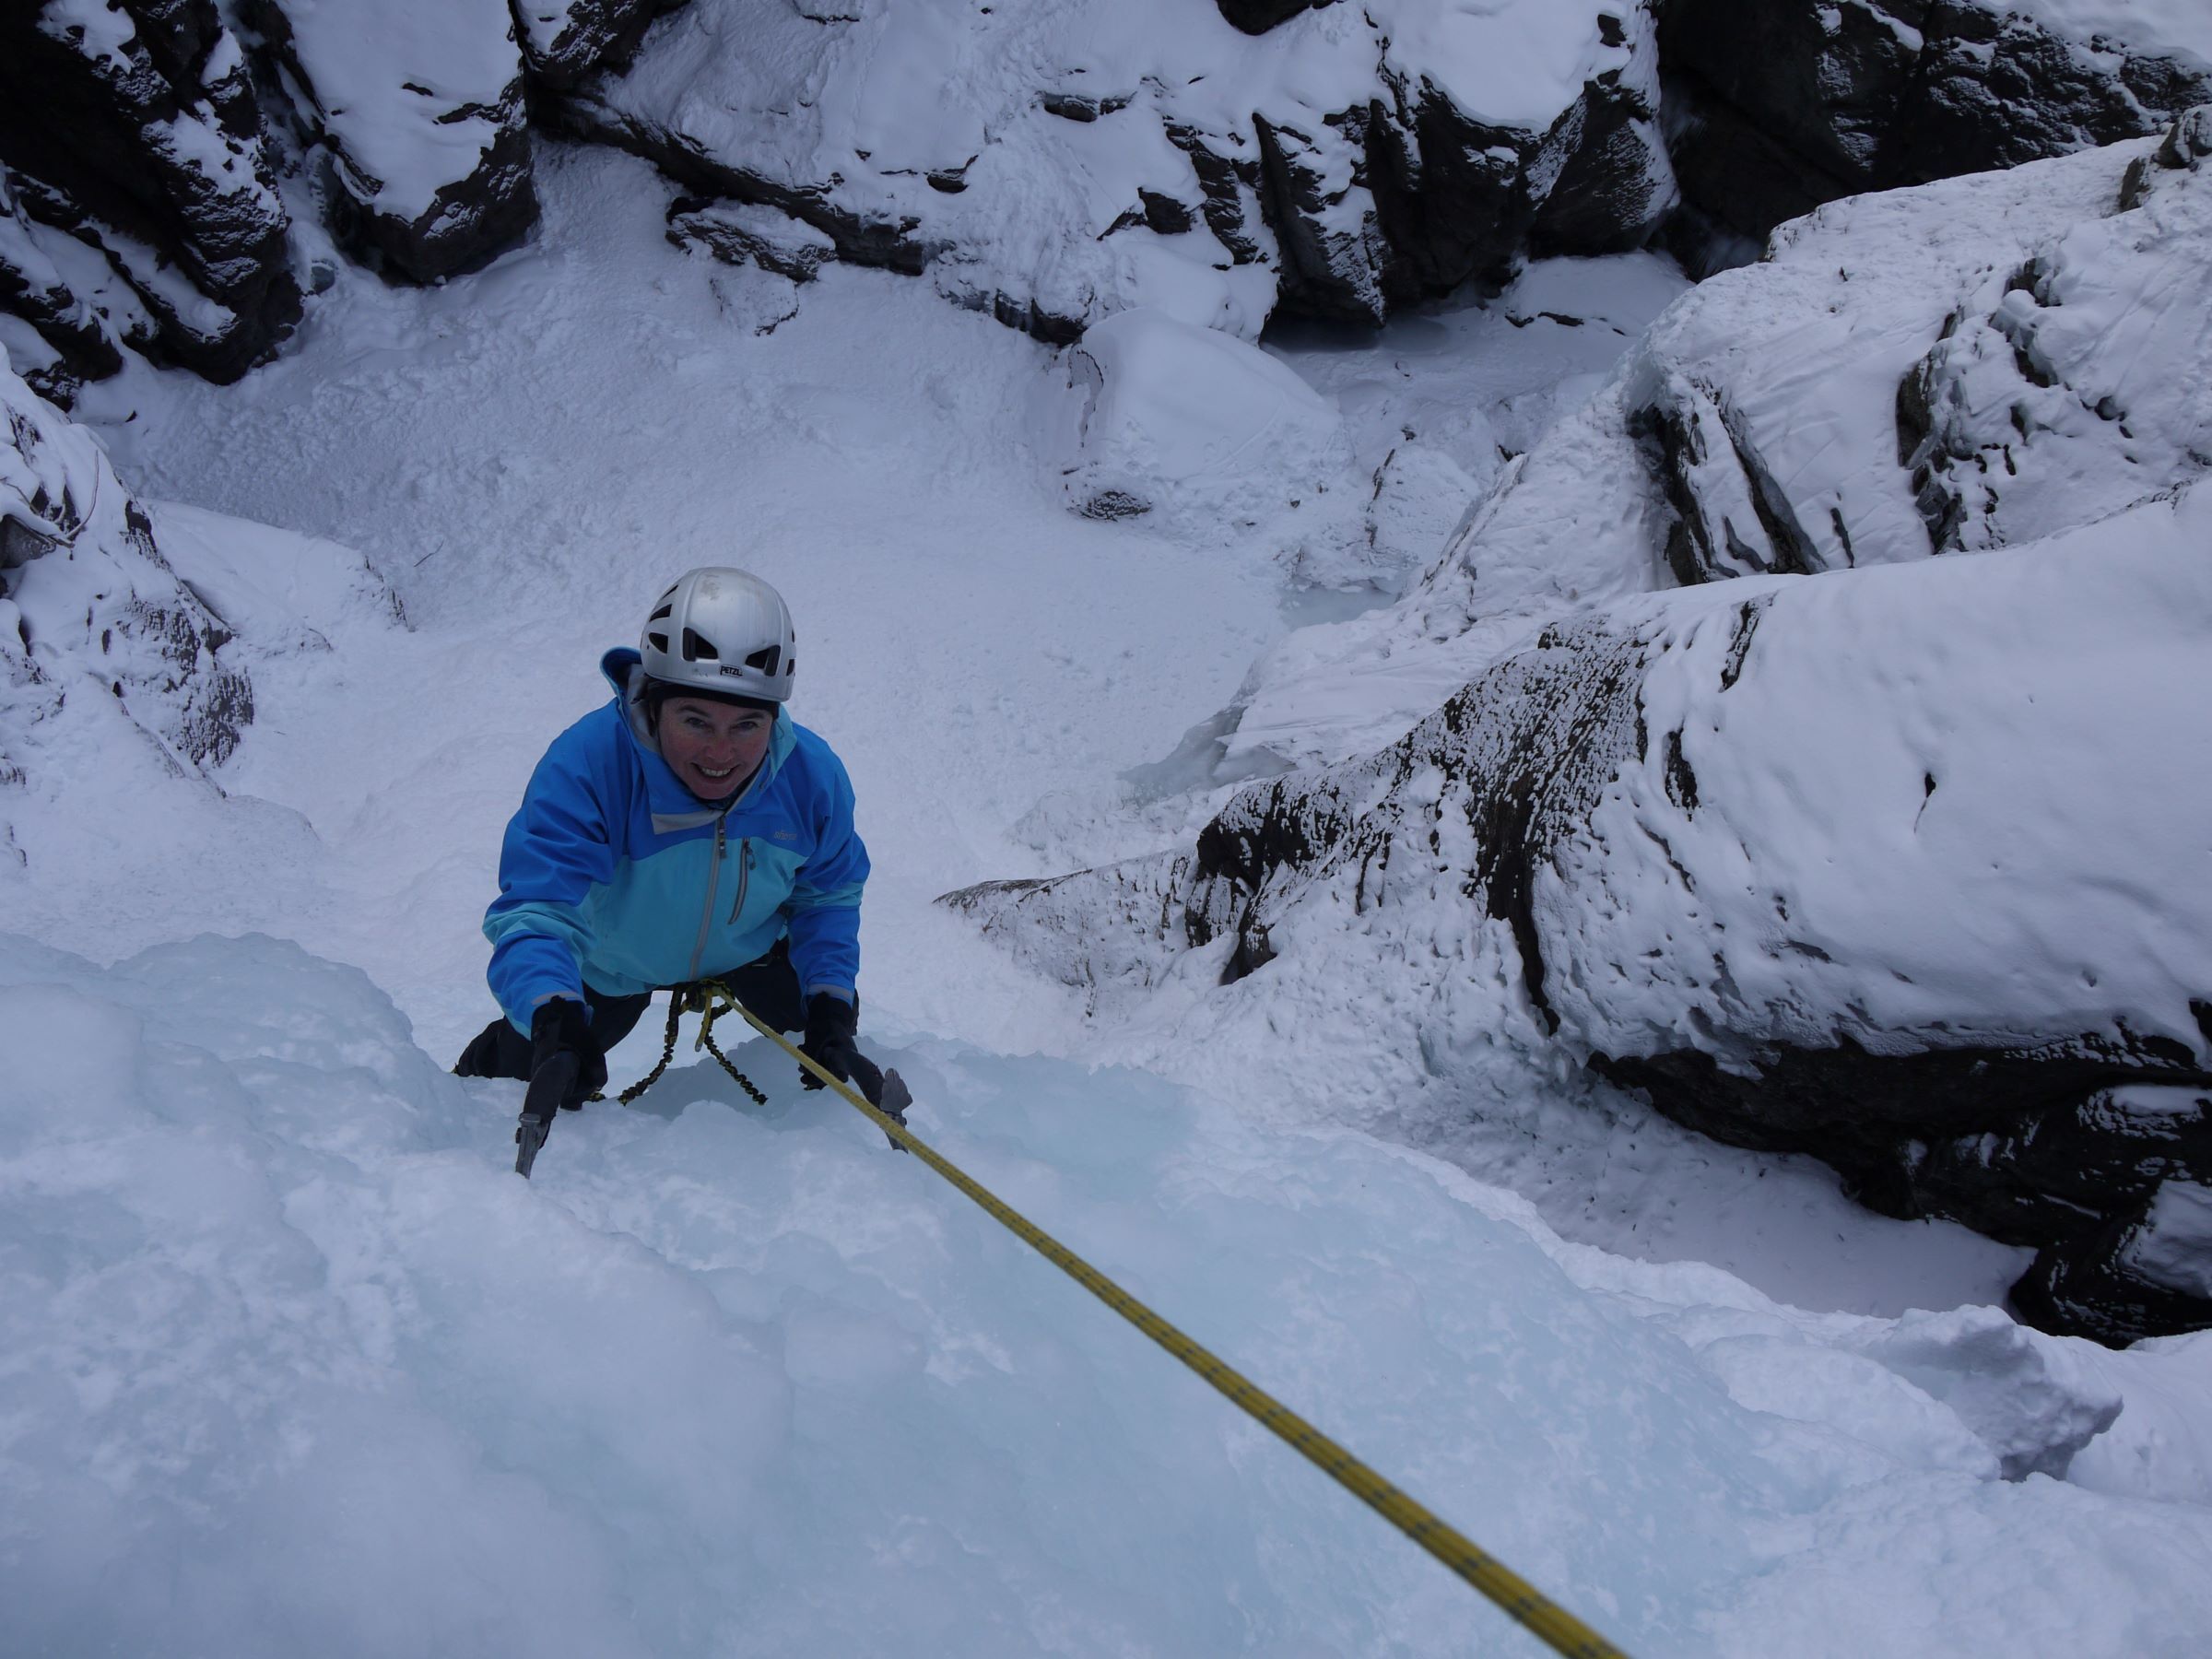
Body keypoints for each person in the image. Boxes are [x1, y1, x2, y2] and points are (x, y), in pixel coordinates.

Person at [454, 566, 888, 1120]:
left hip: (753, 951)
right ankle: (463, 1104)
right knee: (535, 1063)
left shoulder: (809, 776)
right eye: (696, 721)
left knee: (824, 1041)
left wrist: (830, 1004)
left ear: (774, 718)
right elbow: (539, 910)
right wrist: (553, 1016)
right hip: (612, 963)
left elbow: (826, 896)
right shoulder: (590, 765)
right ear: (654, 704)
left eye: (747, 726)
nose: (721, 754)